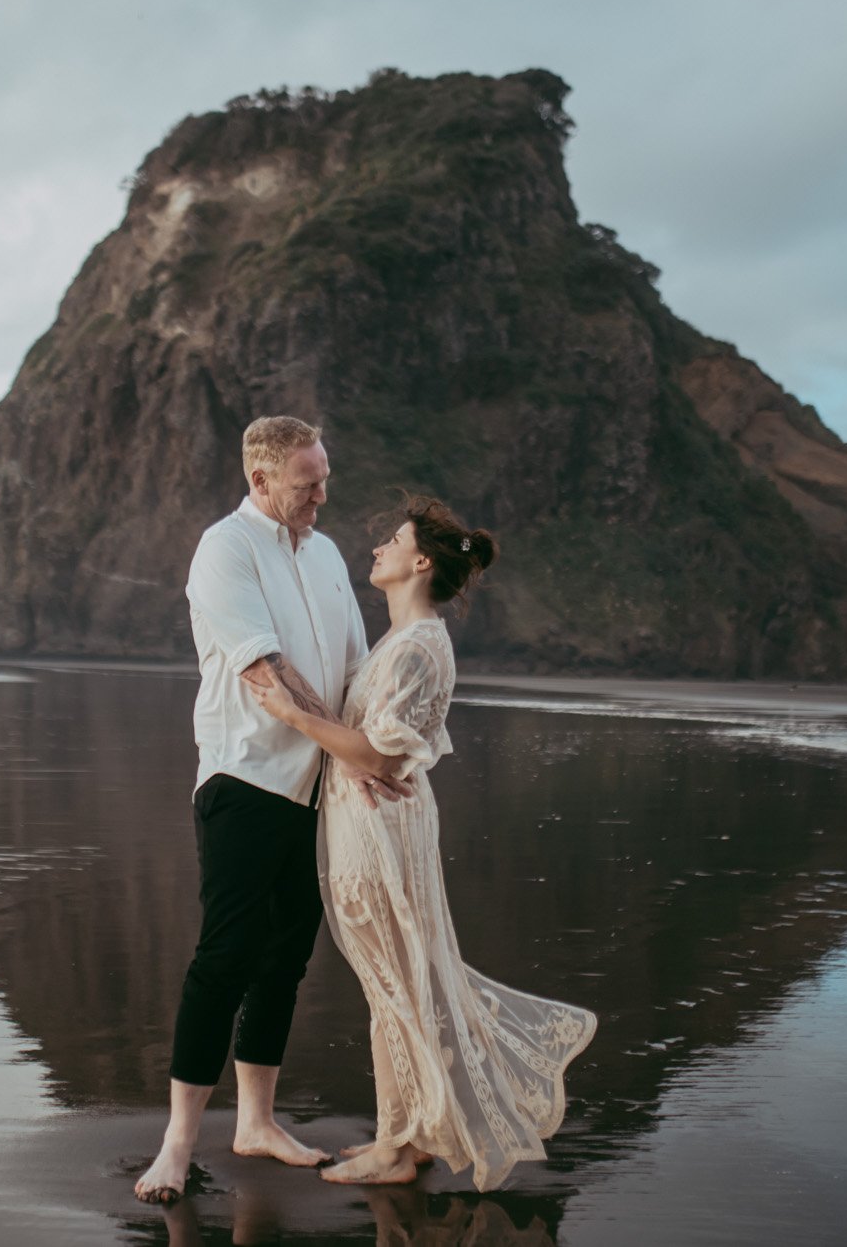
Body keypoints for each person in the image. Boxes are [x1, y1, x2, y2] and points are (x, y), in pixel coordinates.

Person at [247, 495, 596, 1191]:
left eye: (392, 539)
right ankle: (411, 1133)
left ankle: (397, 1146)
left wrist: (287, 709)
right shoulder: (405, 641)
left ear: (420, 561)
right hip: (372, 826)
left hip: (378, 836)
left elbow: (377, 755)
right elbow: (369, 745)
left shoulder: (417, 647)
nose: (377, 547)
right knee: (399, 982)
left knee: (396, 983)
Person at [134, 416, 407, 1204]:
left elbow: (356, 665)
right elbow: (268, 671)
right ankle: (177, 1144)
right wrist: (354, 747)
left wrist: (373, 748)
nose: (323, 493)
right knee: (224, 958)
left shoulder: (322, 554)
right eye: (307, 481)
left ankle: (256, 1121)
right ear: (260, 481)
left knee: (285, 959)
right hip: (244, 781)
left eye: (325, 475)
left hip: (319, 791)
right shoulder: (224, 548)